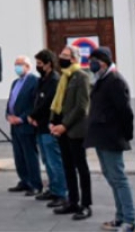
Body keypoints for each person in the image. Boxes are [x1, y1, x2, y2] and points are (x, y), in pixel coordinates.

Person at [84, 47, 135, 232]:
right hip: (102, 136)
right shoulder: (102, 79)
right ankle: (120, 217)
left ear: (103, 62)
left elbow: (125, 112)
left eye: (94, 61)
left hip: (112, 137)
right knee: (112, 177)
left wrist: (126, 135)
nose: (90, 64)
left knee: (118, 178)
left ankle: (130, 221)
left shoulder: (114, 80)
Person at [49, 45, 92, 221]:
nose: (61, 57)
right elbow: (57, 101)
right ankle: (72, 200)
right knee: (67, 166)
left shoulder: (81, 76)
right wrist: (53, 121)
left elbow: (81, 107)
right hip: (61, 129)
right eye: (61, 54)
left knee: (81, 167)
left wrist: (64, 125)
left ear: (75, 58)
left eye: (65, 55)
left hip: (75, 130)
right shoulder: (64, 76)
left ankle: (86, 204)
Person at [29, 49, 68, 206]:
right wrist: (32, 116)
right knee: (47, 161)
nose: (37, 66)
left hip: (49, 126)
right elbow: (37, 100)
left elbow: (48, 104)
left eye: (39, 63)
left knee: (54, 161)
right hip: (40, 126)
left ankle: (61, 193)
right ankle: (53, 189)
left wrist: (33, 115)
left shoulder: (54, 80)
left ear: (48, 64)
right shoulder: (42, 80)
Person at [6, 56, 41, 195]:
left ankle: (35, 183)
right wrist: (8, 115)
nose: (17, 67)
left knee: (29, 155)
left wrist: (21, 118)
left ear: (28, 66)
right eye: (16, 64)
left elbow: (34, 104)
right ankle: (24, 181)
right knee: (19, 155)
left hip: (26, 124)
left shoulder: (34, 81)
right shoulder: (15, 82)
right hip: (14, 125)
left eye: (20, 64)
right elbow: (11, 101)